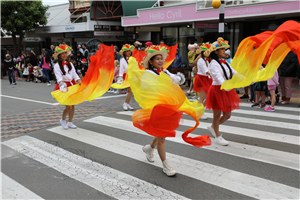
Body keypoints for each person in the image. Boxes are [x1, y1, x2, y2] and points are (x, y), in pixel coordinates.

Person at [141, 45, 186, 176]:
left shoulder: (164, 72)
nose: (161, 61)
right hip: (157, 108)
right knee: (162, 137)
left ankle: (149, 148)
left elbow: (177, 79)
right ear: (151, 61)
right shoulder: (148, 74)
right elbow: (150, 88)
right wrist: (169, 81)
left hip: (168, 106)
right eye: (157, 59)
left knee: (162, 133)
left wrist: (171, 79)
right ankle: (166, 164)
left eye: (161, 58)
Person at [206, 38, 241, 146]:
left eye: (224, 49)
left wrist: (247, 79)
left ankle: (213, 127)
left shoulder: (225, 62)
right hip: (217, 89)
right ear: (216, 52)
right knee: (217, 114)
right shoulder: (213, 63)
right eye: (222, 50)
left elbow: (234, 72)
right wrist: (225, 85)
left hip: (226, 88)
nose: (224, 51)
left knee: (227, 115)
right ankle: (217, 136)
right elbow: (217, 76)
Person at [53, 44, 81, 129]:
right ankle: (63, 119)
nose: (64, 55)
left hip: (72, 84)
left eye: (66, 53)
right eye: (62, 53)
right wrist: (61, 83)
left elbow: (74, 74)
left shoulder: (70, 64)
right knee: (68, 106)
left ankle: (70, 122)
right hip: (63, 85)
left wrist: (79, 81)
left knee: (73, 105)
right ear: (59, 55)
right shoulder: (57, 66)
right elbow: (58, 77)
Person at [193, 43, 213, 120]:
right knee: (202, 97)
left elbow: (210, 69)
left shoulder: (207, 60)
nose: (208, 53)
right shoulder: (201, 60)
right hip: (201, 79)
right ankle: (200, 112)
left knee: (209, 96)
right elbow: (206, 71)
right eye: (206, 51)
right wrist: (213, 74)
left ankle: (200, 110)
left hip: (207, 79)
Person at [118, 44, 135, 110]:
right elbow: (121, 69)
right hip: (126, 76)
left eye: (130, 51)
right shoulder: (122, 60)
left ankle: (127, 104)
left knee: (131, 92)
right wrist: (120, 77)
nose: (129, 52)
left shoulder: (132, 59)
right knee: (130, 91)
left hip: (131, 76)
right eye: (127, 51)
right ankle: (125, 103)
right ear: (124, 52)